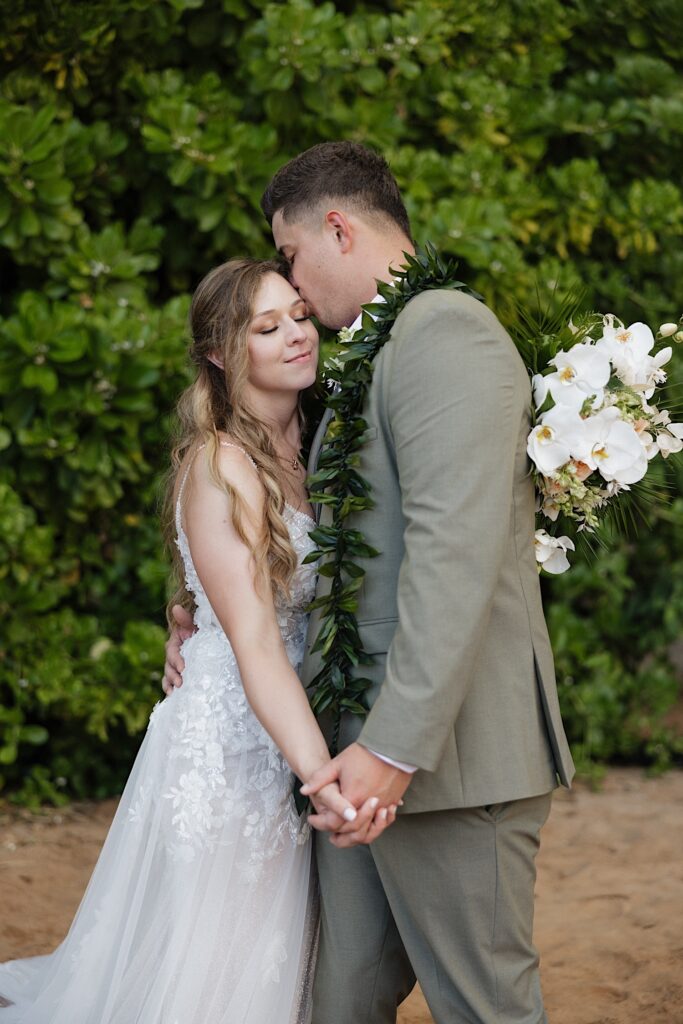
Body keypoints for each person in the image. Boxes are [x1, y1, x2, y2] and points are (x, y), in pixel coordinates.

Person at [164, 142, 577, 1024]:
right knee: (336, 996)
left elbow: (450, 558)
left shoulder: (444, 333)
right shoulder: (365, 355)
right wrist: (194, 622)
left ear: (338, 227)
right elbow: (311, 544)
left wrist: (393, 751)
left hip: (446, 755)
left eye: (290, 257)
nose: (296, 289)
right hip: (352, 749)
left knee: (482, 1004)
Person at [0, 257, 396, 1024]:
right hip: (227, 742)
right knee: (212, 959)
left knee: (267, 952)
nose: (295, 336)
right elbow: (251, 640)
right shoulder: (219, 463)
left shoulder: (318, 443)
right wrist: (325, 782)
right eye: (266, 326)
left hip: (285, 720)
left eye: (300, 316)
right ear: (220, 352)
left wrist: (181, 612)